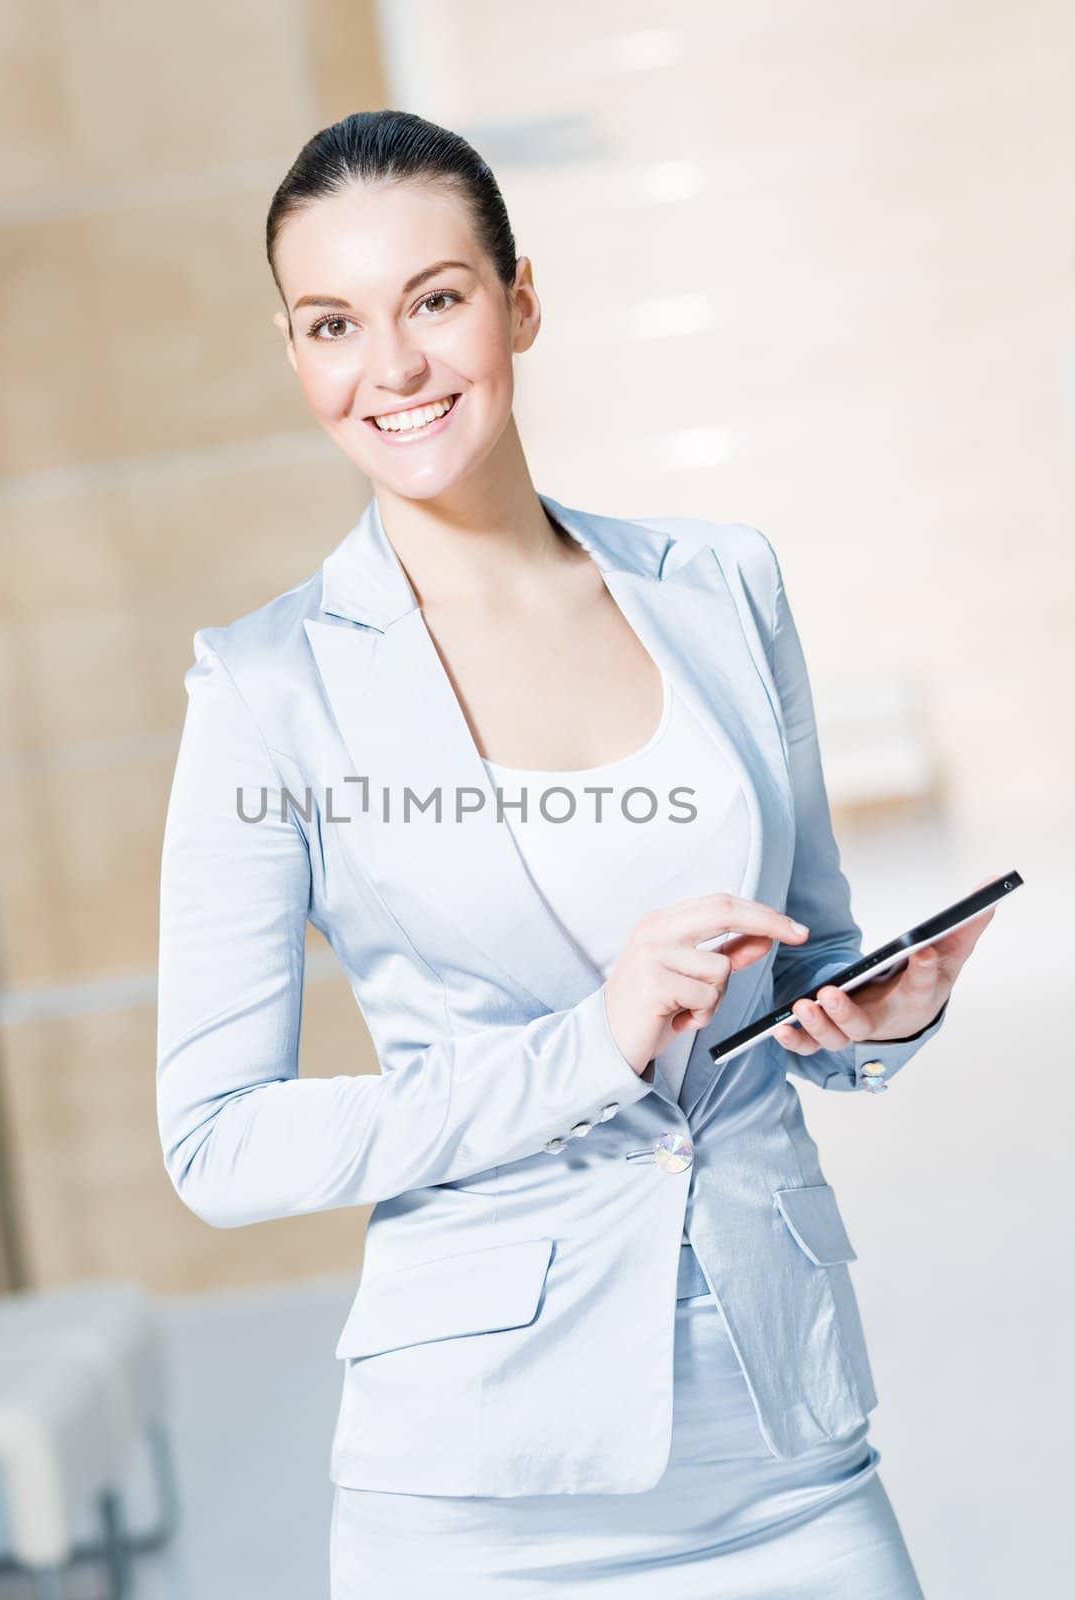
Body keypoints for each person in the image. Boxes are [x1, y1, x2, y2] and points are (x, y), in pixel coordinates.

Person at [155, 108, 996, 1598]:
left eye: (436, 299)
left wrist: (890, 1016)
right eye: (334, 323)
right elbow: (217, 1140)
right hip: (483, 1497)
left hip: (788, 1447)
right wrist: (586, 1046)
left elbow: (806, 968)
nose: (394, 368)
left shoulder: (719, 586)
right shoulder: (266, 689)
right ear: (295, 355)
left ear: (520, 299)